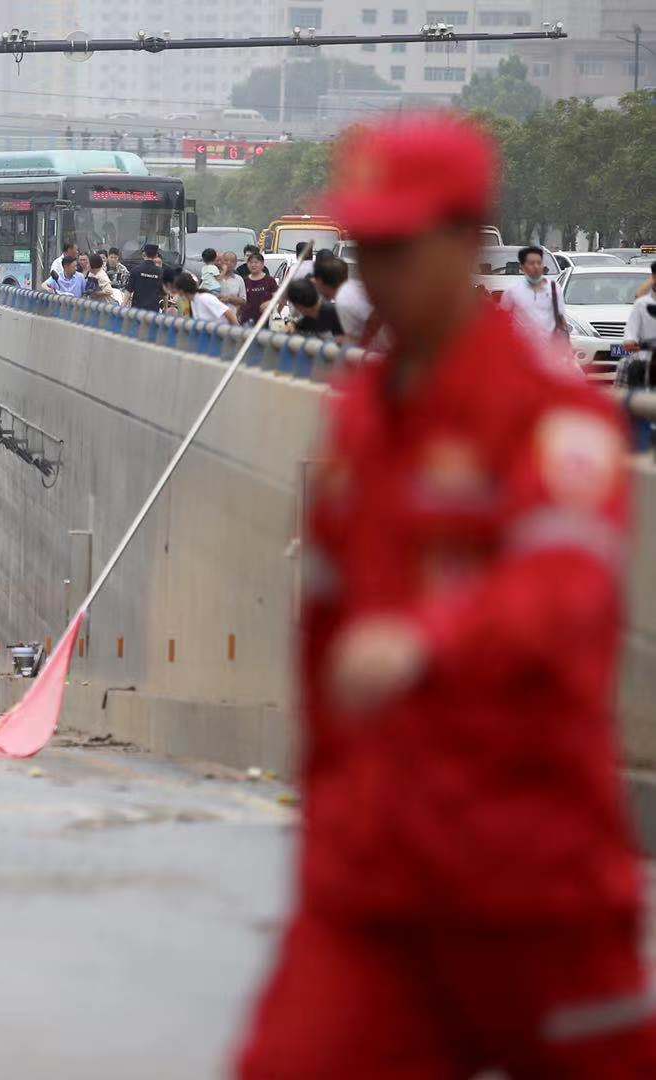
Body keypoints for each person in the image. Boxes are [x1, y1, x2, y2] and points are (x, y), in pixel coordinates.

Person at [237, 111, 656, 1079]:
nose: (379, 271)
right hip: (377, 889)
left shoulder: (554, 420)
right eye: (366, 245)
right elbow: (328, 649)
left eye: (400, 245)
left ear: (469, 242)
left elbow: (564, 597)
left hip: (536, 888)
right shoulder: (360, 428)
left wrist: (432, 641)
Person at [499, 245, 569, 351]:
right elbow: (502, 319)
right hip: (522, 352)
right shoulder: (512, 291)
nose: (536, 266)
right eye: (531, 263)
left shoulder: (554, 288)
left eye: (539, 263)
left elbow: (561, 319)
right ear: (522, 267)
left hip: (549, 352)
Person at [312, 251, 376, 346]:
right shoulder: (352, 287)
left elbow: (373, 324)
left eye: (315, 281)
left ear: (320, 281)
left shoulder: (343, 301)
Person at [240, 250, 278, 324]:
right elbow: (241, 300)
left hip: (265, 320)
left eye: (256, 262)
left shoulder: (270, 280)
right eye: (250, 262)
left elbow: (278, 297)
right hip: (247, 320)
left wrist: (270, 302)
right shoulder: (244, 281)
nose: (253, 265)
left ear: (262, 264)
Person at [127, 244, 165, 311]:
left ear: (144, 254)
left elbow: (128, 291)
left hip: (136, 311)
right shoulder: (161, 273)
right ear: (156, 255)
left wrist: (122, 307)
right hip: (152, 312)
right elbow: (165, 294)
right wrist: (166, 309)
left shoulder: (135, 270)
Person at [216, 249, 247, 314]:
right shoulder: (215, 277)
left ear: (235, 264)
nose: (228, 263)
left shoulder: (239, 279)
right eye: (226, 260)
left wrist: (231, 299)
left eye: (232, 261)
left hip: (232, 317)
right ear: (221, 262)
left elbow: (243, 301)